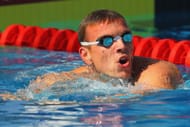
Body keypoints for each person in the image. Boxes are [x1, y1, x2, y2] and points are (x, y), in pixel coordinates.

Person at [0, 9, 183, 100]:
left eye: (125, 37)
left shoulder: (158, 73)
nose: (121, 45)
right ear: (86, 55)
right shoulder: (75, 77)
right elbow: (27, 95)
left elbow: (145, 99)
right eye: (107, 41)